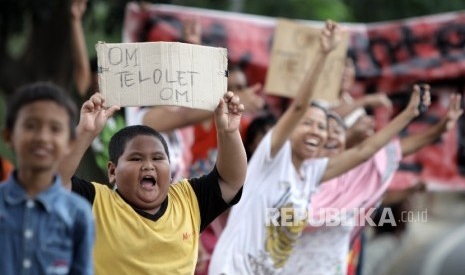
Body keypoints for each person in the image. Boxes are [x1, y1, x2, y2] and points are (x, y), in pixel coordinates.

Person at [208, 20, 430, 274]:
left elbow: (363, 152)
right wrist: (324, 53)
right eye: (307, 124)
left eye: (321, 127)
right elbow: (300, 106)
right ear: (290, 129)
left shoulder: (312, 173)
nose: (316, 130)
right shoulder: (271, 159)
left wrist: (408, 115)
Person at [60, 90, 247, 274]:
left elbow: (230, 181)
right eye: (136, 159)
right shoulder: (97, 203)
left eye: (158, 158)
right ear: (112, 171)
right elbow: (53, 183)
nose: (148, 166)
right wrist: (85, 132)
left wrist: (228, 132)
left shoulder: (189, 200)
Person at [283, 91, 461, 274]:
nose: (331, 137)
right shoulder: (289, 175)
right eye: (325, 131)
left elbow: (391, 150)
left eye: (337, 131)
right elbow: (365, 150)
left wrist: (438, 129)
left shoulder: (353, 178)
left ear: (345, 140)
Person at [0, 82, 94, 274]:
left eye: (55, 128)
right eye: (31, 126)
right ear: (8, 136)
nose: (43, 137)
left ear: (70, 142)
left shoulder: (78, 213)